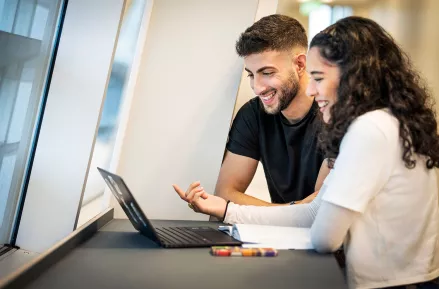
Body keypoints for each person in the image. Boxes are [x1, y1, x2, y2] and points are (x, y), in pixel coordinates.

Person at [174, 16, 439, 289]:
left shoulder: (369, 130)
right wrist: (228, 209)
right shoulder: (387, 122)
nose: (311, 89)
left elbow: (324, 236)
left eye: (319, 78)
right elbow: (314, 213)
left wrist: (234, 210)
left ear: (354, 75)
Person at [174, 14, 329, 207]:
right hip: (277, 234)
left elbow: (320, 211)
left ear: (299, 64)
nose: (257, 87)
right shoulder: (253, 114)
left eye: (267, 73)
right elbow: (225, 194)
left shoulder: (332, 116)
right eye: (251, 74)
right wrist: (290, 212)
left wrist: (291, 214)